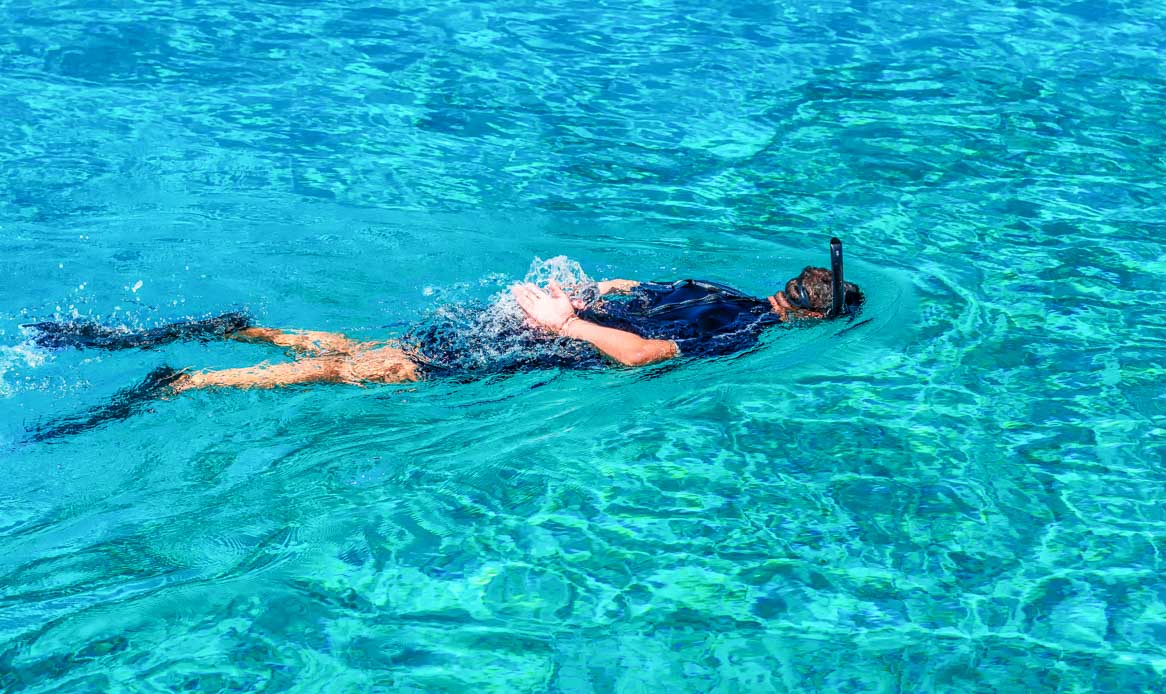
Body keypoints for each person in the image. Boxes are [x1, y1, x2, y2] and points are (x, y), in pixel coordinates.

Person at [25, 266, 864, 394]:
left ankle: (250, 333)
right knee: (373, 372)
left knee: (367, 350)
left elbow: (620, 284)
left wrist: (574, 297)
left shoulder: (714, 286)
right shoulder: (744, 340)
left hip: (518, 317)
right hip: (539, 339)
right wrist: (569, 321)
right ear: (813, 321)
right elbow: (641, 355)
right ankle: (192, 383)